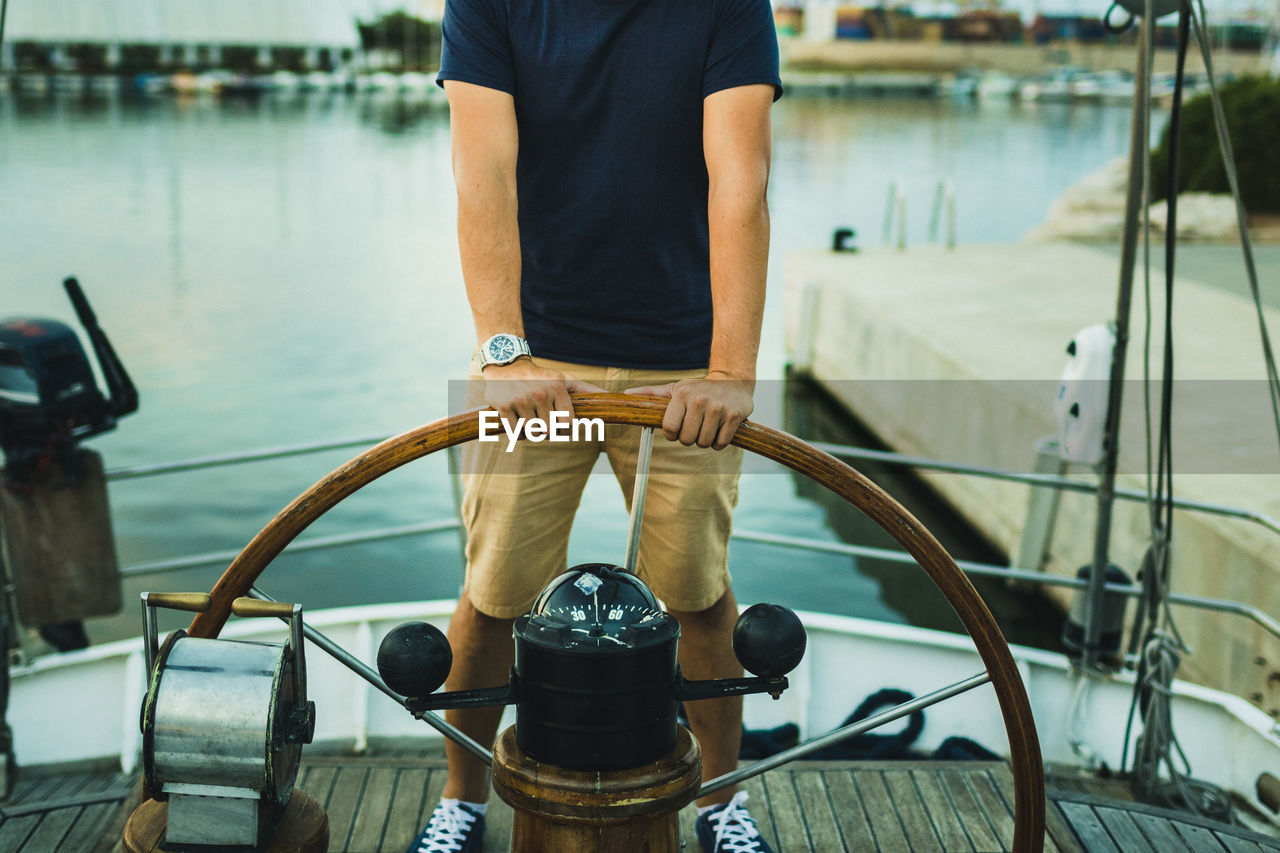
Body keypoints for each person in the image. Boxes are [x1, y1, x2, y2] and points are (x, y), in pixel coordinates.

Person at [410, 0, 781, 850]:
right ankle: (462, 800)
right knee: (495, 592)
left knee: (695, 595)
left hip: (683, 367)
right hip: (540, 364)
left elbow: (741, 178)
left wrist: (731, 370)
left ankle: (721, 801)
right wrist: (505, 353)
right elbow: (482, 169)